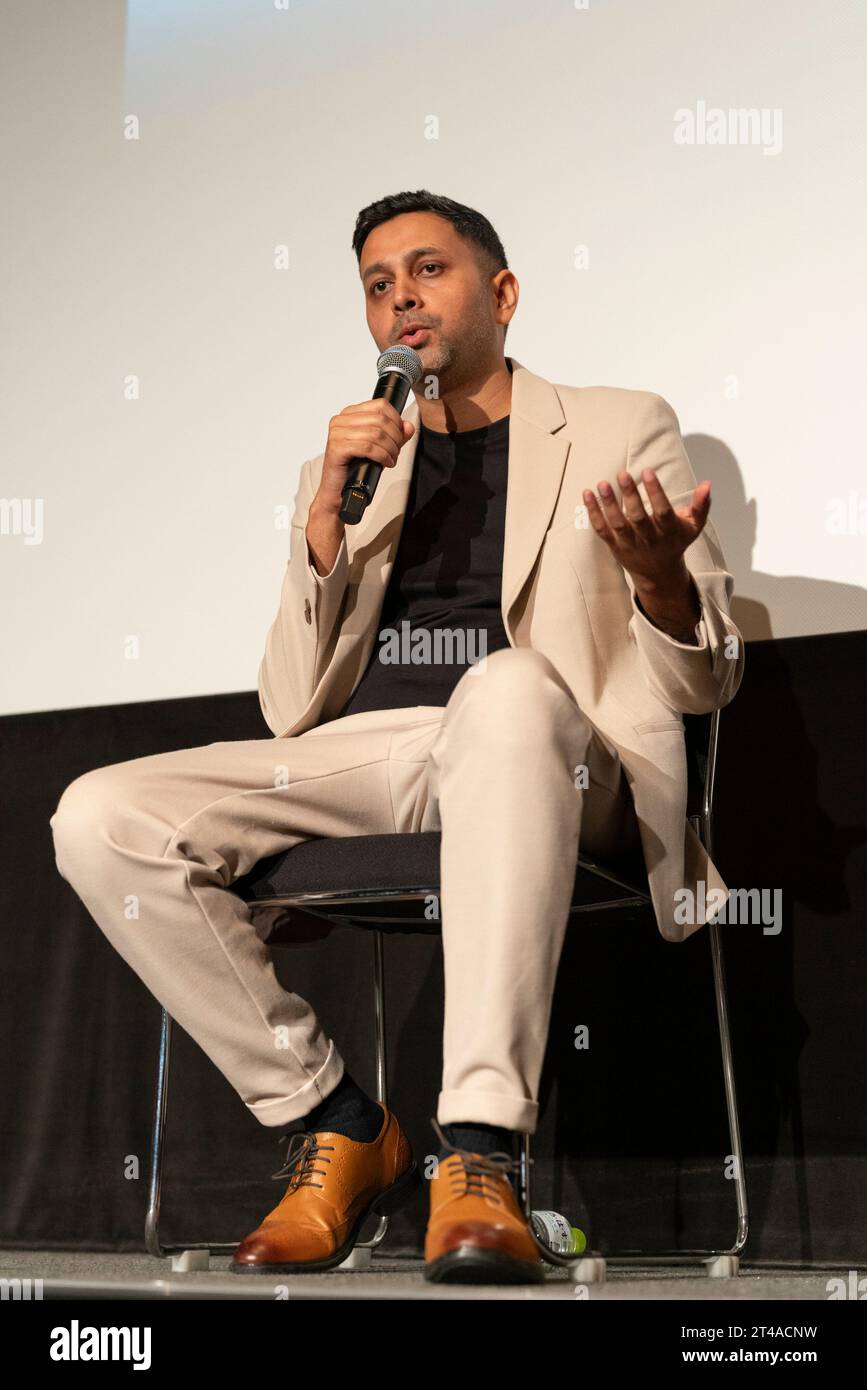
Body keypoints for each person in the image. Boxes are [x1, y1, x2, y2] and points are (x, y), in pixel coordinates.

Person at [49, 189, 744, 1286]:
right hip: (383, 750)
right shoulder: (359, 462)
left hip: (553, 752)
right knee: (100, 814)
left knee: (510, 689)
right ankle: (336, 1121)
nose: (400, 301)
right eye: (378, 285)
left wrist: (659, 577)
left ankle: (478, 1153)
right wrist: (323, 525)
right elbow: (288, 706)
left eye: (427, 270)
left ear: (502, 293)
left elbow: (706, 676)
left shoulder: (618, 424)